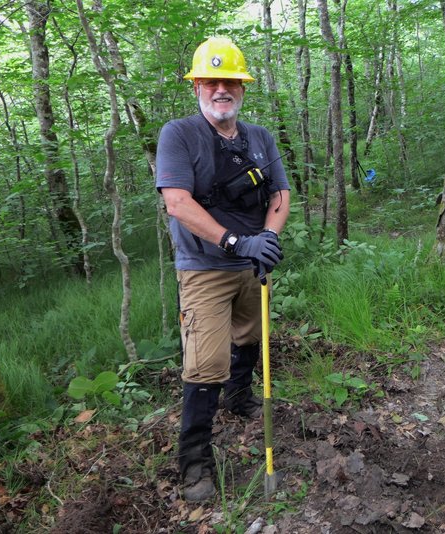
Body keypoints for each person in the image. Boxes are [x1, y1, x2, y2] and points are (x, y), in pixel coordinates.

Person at [155, 36, 291, 502]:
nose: (221, 89)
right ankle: (195, 462)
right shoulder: (179, 134)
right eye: (210, 81)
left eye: (230, 81)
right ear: (196, 86)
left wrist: (268, 237)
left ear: (243, 89)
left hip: (253, 263)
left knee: (251, 336)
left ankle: (240, 398)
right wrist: (235, 240)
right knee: (205, 361)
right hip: (204, 267)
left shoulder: (260, 138)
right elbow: (176, 201)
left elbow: (280, 194)